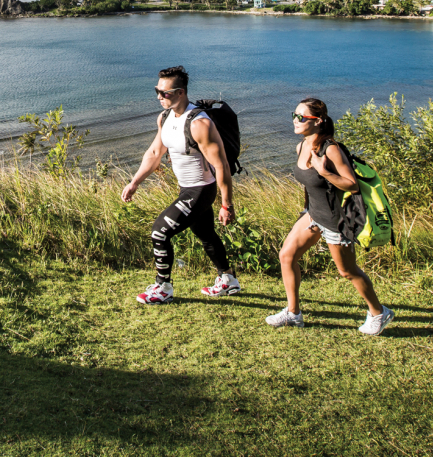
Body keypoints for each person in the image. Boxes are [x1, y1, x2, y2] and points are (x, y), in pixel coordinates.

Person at [266, 97, 394, 335]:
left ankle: (379, 312)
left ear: (318, 122)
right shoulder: (302, 145)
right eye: (294, 115)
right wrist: (306, 209)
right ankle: (293, 314)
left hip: (336, 222)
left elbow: (352, 185)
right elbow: (308, 184)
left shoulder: (331, 149)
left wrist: (324, 171)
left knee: (348, 271)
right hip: (314, 215)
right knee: (287, 255)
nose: (296, 121)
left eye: (302, 117)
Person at [121, 66, 240, 304]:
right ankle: (228, 280)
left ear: (181, 93)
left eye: (164, 93)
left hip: (201, 189)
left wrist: (226, 204)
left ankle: (163, 287)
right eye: (157, 91)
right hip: (186, 188)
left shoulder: (199, 124)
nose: (159, 97)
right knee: (205, 234)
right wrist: (135, 182)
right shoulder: (164, 117)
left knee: (159, 231)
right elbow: (155, 152)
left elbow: (222, 166)